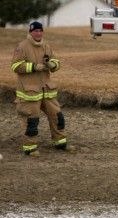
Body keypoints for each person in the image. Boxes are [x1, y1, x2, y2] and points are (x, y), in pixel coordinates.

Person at [10, 21, 75, 157]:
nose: (38, 33)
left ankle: (60, 142)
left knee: (57, 116)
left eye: (40, 31)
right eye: (35, 31)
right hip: (29, 92)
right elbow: (15, 66)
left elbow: (56, 62)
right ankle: (30, 148)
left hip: (47, 90)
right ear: (30, 32)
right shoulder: (22, 47)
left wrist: (53, 65)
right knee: (31, 120)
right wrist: (33, 67)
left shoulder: (46, 46)